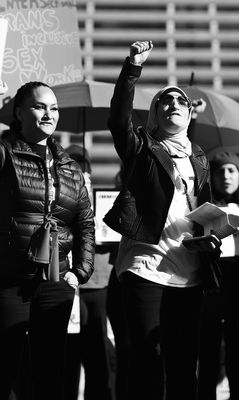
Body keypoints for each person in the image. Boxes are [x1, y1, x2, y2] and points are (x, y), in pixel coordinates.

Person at [105, 40, 220, 400]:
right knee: (147, 361)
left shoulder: (199, 157)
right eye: (164, 101)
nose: (173, 104)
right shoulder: (140, 147)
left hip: (190, 272)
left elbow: (204, 210)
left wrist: (213, 234)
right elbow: (118, 120)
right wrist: (132, 69)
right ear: (155, 113)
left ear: (188, 115)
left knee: (184, 365)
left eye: (180, 101)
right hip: (146, 267)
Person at [0, 81, 95, 400]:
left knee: (50, 371)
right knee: (5, 367)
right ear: (18, 112)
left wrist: (79, 271)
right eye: (39, 106)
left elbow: (85, 222)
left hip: (56, 280)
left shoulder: (70, 167)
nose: (48, 114)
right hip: (9, 278)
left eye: (54, 108)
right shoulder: (5, 151)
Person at [197, 151, 239, 400]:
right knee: (207, 362)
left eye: (232, 170)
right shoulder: (201, 210)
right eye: (220, 170)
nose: (226, 176)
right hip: (209, 287)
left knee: (237, 363)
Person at [63, 144, 116, 400]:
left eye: (85, 173)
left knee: (98, 357)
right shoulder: (58, 199)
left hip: (99, 286)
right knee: (67, 357)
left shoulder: (104, 201)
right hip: (68, 288)